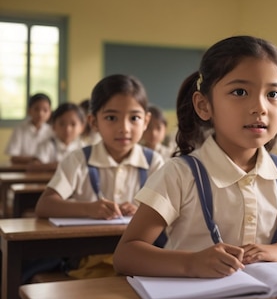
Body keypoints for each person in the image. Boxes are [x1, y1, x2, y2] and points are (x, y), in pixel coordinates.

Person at [113, 35, 277, 278]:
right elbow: (126, 255)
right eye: (240, 92)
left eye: (273, 94)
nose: (260, 107)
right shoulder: (180, 174)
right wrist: (191, 263)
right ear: (204, 106)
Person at [34, 74, 164, 279]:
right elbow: (45, 205)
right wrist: (88, 208)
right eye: (112, 118)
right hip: (85, 256)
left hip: (139, 260)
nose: (124, 128)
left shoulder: (154, 162)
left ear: (146, 120)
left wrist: (141, 212)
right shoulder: (78, 160)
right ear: (93, 122)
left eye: (134, 118)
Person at [30, 102, 86, 171]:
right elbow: (33, 166)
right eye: (62, 124)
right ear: (53, 126)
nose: (67, 129)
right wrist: (58, 166)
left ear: (82, 127)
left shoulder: (83, 146)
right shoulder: (48, 145)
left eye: (73, 124)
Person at [4, 93, 53, 164]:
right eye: (36, 109)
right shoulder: (20, 129)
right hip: (22, 170)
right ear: (29, 111)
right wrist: (37, 160)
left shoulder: (52, 131)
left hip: (45, 170)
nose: (40, 113)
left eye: (45, 110)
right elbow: (14, 158)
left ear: (50, 112)